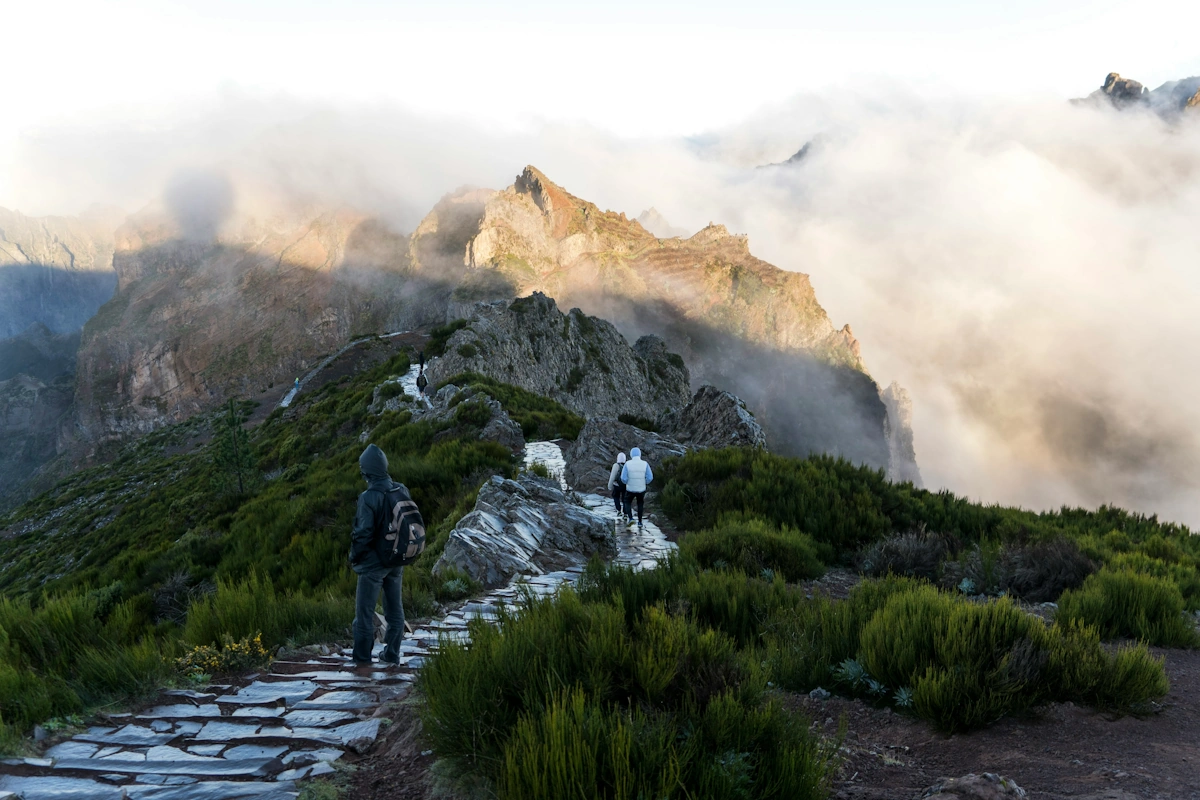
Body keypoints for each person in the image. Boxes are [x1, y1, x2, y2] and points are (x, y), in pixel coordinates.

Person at [349, 444, 407, 667]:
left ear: (367, 471)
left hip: (373, 564)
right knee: (395, 610)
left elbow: (363, 533)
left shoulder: (368, 497)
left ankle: (362, 660)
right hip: (396, 559)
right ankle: (392, 655)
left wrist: (355, 557)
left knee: (364, 615)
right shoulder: (401, 489)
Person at [621, 447, 653, 531]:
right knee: (640, 504)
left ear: (631, 454)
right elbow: (650, 477)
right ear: (640, 454)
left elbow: (623, 478)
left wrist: (627, 482)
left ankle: (631, 518)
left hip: (630, 488)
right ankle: (640, 522)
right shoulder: (645, 464)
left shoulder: (627, 464)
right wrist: (644, 482)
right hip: (641, 488)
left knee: (627, 502)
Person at [607, 452, 627, 520]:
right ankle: (625, 513)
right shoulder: (627, 465)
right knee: (625, 499)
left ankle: (618, 510)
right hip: (625, 485)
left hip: (617, 485)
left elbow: (612, 476)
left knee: (616, 496)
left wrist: (610, 486)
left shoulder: (616, 465)